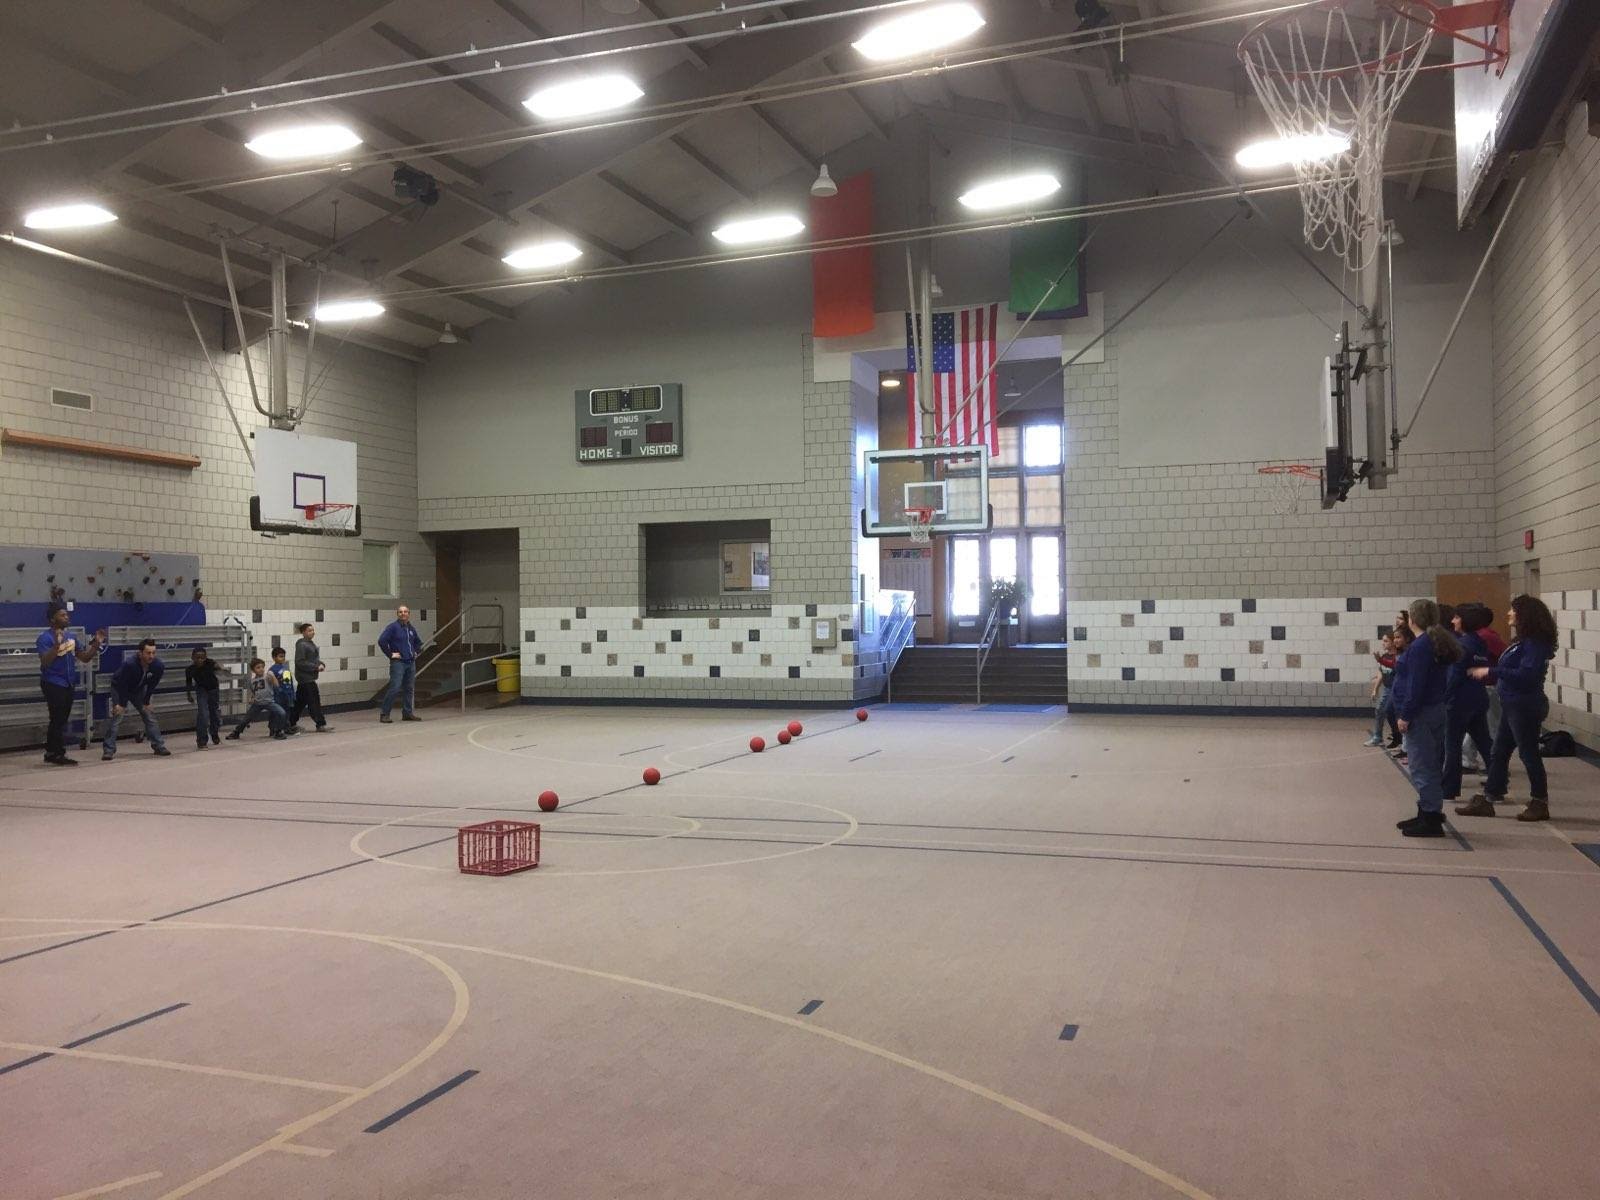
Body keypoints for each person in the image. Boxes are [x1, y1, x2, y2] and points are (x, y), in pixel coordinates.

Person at [1457, 594, 1558, 822]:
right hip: (1512, 704)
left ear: (1525, 615)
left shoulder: (1535, 645)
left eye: (1513, 610)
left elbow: (1526, 675)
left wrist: (1491, 671)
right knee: (1499, 751)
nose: (1509, 613)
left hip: (1524, 706)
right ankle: (1490, 797)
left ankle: (1540, 801)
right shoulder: (1522, 642)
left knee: (1528, 753)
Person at [1390, 599, 1462, 838]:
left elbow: (1416, 685)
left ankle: (1431, 818)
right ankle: (1426, 811)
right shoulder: (1433, 642)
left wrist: (1406, 715)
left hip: (1421, 713)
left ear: (1413, 619)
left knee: (1422, 766)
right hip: (1433, 709)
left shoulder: (1421, 646)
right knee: (1428, 764)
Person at [36, 601, 104, 766]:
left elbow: (84, 658)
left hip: (68, 683)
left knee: (61, 718)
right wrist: (56, 646)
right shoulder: (44, 638)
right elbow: (45, 661)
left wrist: (96, 644)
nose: (67, 617)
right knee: (57, 717)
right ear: (53, 619)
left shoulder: (72, 637)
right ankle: (57, 752)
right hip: (53, 682)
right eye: (62, 615)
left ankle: (51, 751)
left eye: (67, 614)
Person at [1440, 606, 1494, 808]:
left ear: (1464, 620)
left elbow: (1454, 676)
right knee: (1485, 744)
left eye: (1456, 618)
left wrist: (1444, 699)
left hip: (1459, 702)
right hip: (1477, 698)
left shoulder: (1461, 645)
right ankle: (1498, 784)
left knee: (1452, 745)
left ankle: (1449, 789)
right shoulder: (1479, 642)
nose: (1453, 621)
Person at [102, 638, 172, 760]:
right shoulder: (129, 664)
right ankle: (108, 750)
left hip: (138, 690)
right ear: (140, 653)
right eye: (148, 653)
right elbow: (122, 684)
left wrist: (146, 701)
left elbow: (152, 684)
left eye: (153, 653)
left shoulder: (158, 666)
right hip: (119, 688)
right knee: (117, 717)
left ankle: (159, 746)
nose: (151, 656)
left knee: (149, 715)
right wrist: (120, 704)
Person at [377, 604, 424, 723]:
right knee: (395, 687)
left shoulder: (411, 628)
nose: (403, 614)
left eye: (405, 612)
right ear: (397, 614)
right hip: (398, 662)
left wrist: (416, 651)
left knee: (409, 688)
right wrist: (390, 654)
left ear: (409, 614)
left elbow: (418, 643)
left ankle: (407, 713)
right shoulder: (393, 627)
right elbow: (382, 641)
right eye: (400, 612)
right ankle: (384, 714)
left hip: (410, 662)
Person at [227, 658, 288, 741]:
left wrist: (273, 676)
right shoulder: (252, 681)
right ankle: (236, 732)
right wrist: (251, 698)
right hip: (257, 703)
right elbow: (253, 692)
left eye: (262, 667)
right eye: (258, 667)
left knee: (282, 713)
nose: (261, 669)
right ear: (253, 670)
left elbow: (276, 685)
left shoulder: (267, 677)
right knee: (246, 719)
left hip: (269, 702)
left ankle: (278, 731)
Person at [291, 622, 331, 732]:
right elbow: (300, 662)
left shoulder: (310, 644)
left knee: (300, 703)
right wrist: (316, 667)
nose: (312, 632)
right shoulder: (302, 645)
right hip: (306, 678)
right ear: (303, 632)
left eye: (313, 630)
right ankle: (320, 724)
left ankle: (290, 722)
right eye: (309, 630)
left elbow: (313, 659)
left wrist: (320, 663)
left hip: (307, 678)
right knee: (314, 701)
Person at [1364, 632, 1400, 747]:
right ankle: (1379, 736)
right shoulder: (1384, 657)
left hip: (1395, 689)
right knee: (1380, 710)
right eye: (1383, 641)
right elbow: (1381, 674)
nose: (1383, 643)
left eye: (1386, 641)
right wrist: (1375, 689)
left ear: (1393, 642)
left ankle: (1397, 736)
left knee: (1392, 712)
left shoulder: (1397, 657)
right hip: (1387, 688)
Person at [185, 646, 222, 750]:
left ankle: (214, 733)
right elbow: (188, 683)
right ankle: (201, 740)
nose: (200, 660)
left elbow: (218, 666)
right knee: (203, 714)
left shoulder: (210, 663)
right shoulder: (190, 670)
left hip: (213, 689)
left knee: (214, 713)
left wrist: (221, 667)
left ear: (205, 658)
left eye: (202, 658)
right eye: (197, 658)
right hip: (201, 690)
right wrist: (189, 695)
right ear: (192, 658)